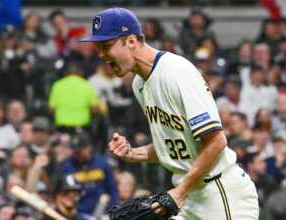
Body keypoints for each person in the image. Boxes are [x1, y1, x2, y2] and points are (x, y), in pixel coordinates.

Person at [80, 7, 259, 219]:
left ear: (130, 41)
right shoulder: (139, 83)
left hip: (219, 192)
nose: (101, 54)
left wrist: (180, 193)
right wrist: (134, 154)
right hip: (189, 193)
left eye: (105, 46)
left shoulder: (175, 72)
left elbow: (215, 141)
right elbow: (175, 144)